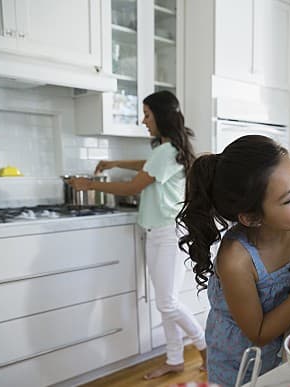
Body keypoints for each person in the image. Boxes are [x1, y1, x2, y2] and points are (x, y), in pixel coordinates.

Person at [176, 135, 290, 387]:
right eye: (289, 198)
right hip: (238, 367)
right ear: (252, 218)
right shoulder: (236, 260)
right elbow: (259, 333)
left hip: (284, 355)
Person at [66, 90, 207, 379]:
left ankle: (206, 347)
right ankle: (174, 359)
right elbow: (146, 165)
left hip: (169, 234)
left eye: (147, 115)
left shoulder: (166, 152)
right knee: (165, 301)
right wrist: (114, 163)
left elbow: (133, 188)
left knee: (166, 302)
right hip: (159, 233)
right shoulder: (167, 150)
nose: (144, 121)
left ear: (161, 117)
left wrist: (88, 185)